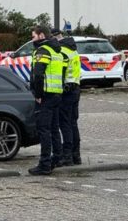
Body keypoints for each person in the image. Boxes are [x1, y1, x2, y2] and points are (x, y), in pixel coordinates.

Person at [28, 25, 65, 176]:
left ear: (41, 35)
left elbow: (38, 74)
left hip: (46, 95)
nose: (32, 39)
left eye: (33, 37)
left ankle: (44, 164)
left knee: (44, 130)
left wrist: (38, 94)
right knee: (54, 128)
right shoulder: (57, 50)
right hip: (57, 93)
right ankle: (57, 158)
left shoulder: (43, 50)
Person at [51, 28, 82, 166]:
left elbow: (61, 73)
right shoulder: (73, 49)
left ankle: (67, 156)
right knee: (73, 123)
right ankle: (76, 155)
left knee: (65, 124)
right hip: (76, 89)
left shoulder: (62, 51)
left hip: (67, 91)